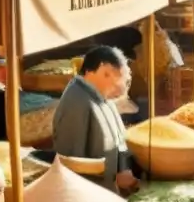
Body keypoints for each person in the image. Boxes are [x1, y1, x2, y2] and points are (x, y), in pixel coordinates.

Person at [52, 46, 137, 193]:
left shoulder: (104, 96)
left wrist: (123, 169)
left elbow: (120, 140)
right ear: (103, 70)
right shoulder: (76, 101)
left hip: (111, 189)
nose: (120, 89)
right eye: (118, 79)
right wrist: (112, 173)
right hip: (91, 194)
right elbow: (71, 162)